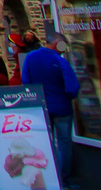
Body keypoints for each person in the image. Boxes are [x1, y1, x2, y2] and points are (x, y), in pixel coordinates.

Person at [21, 32, 81, 184]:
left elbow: (26, 82)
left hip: (41, 108)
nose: (63, 49)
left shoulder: (30, 57)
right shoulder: (60, 61)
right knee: (64, 143)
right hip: (61, 107)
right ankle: (63, 179)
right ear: (57, 44)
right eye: (63, 46)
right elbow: (72, 88)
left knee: (45, 143)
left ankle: (47, 177)